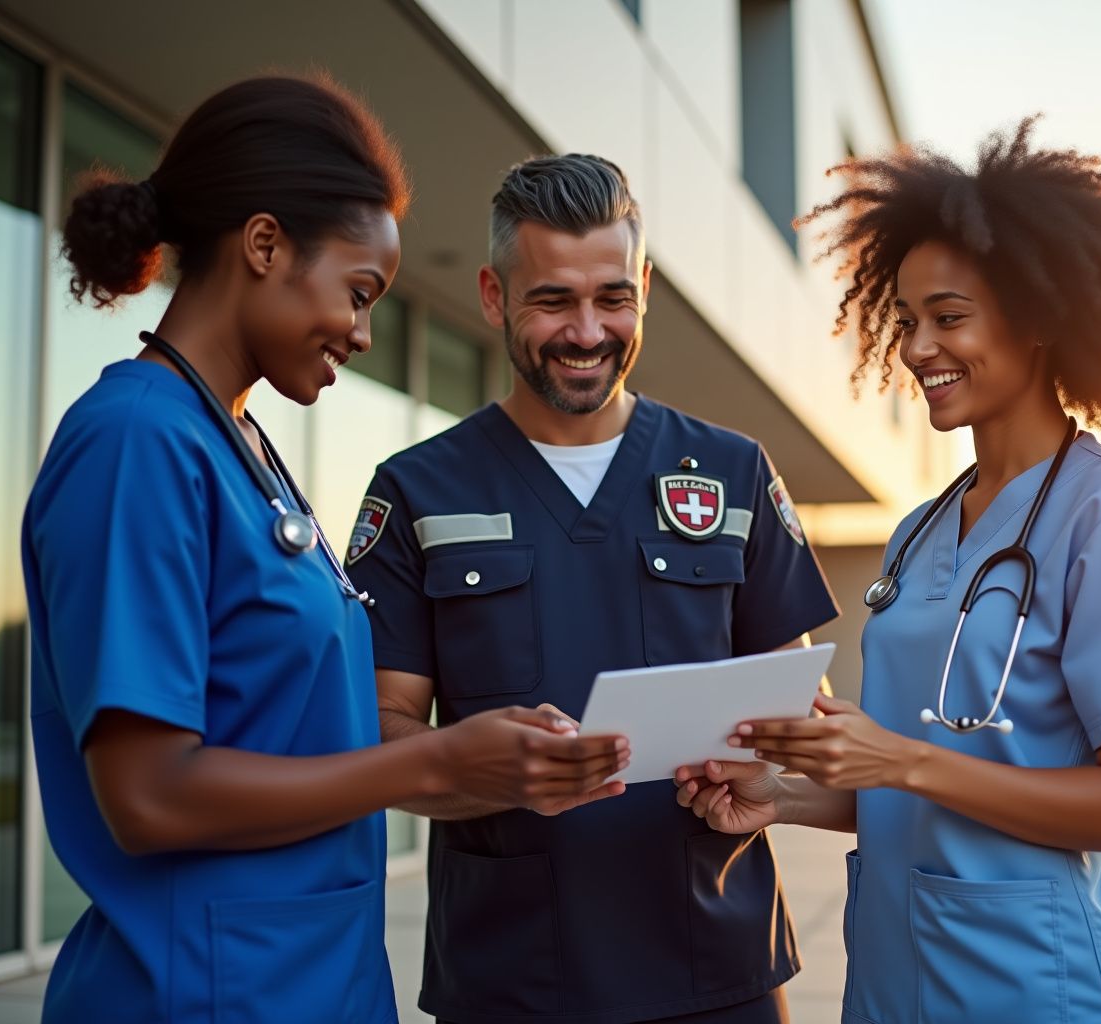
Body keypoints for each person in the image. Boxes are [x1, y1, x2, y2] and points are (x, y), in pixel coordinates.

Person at [23, 76, 627, 1024]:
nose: (364, 330)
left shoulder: (238, 444)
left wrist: (488, 764)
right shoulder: (136, 440)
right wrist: (433, 765)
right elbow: (147, 796)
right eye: (357, 291)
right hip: (201, 993)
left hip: (306, 981)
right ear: (265, 246)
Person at [676, 117, 1101, 1023]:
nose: (918, 348)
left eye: (949, 318)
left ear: (1040, 316)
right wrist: (786, 796)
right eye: (908, 321)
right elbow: (913, 788)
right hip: (895, 987)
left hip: (1042, 990)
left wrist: (903, 759)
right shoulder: (918, 534)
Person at [344, 153, 839, 1024]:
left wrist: (769, 770)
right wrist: (502, 777)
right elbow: (376, 744)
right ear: (495, 297)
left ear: (643, 287)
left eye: (612, 297)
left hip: (719, 975)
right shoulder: (417, 489)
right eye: (552, 301)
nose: (586, 330)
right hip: (510, 983)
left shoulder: (732, 472)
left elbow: (803, 721)